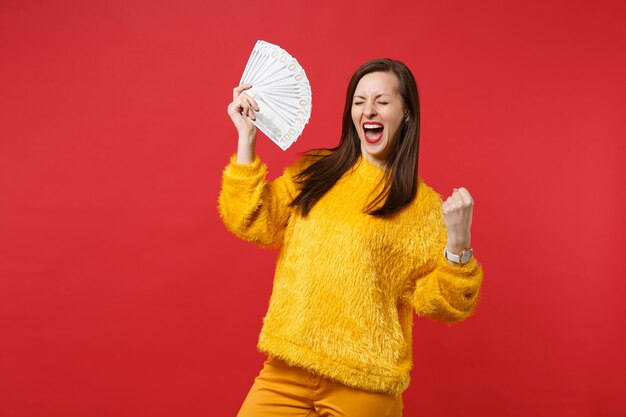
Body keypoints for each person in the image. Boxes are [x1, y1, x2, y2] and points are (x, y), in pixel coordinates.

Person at [218, 58, 484, 417]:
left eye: (382, 101)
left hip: (364, 385)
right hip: (286, 369)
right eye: (359, 102)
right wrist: (246, 138)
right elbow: (252, 220)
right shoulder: (314, 172)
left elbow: (442, 305)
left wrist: (458, 245)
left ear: (406, 113)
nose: (368, 111)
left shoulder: (422, 208)